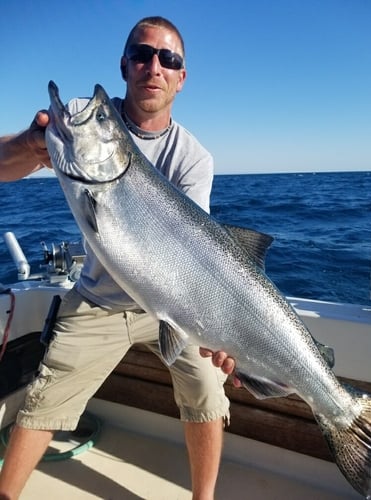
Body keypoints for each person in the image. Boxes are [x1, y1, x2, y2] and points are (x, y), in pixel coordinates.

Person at [0, 16, 237, 500]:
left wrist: (221, 326)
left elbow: (199, 257)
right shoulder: (90, 123)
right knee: (47, 392)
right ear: (125, 65)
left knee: (209, 387)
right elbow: (5, 168)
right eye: (143, 55)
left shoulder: (193, 157)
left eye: (168, 59)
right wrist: (31, 143)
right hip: (100, 300)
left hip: (170, 305)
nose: (155, 66)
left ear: (180, 77)